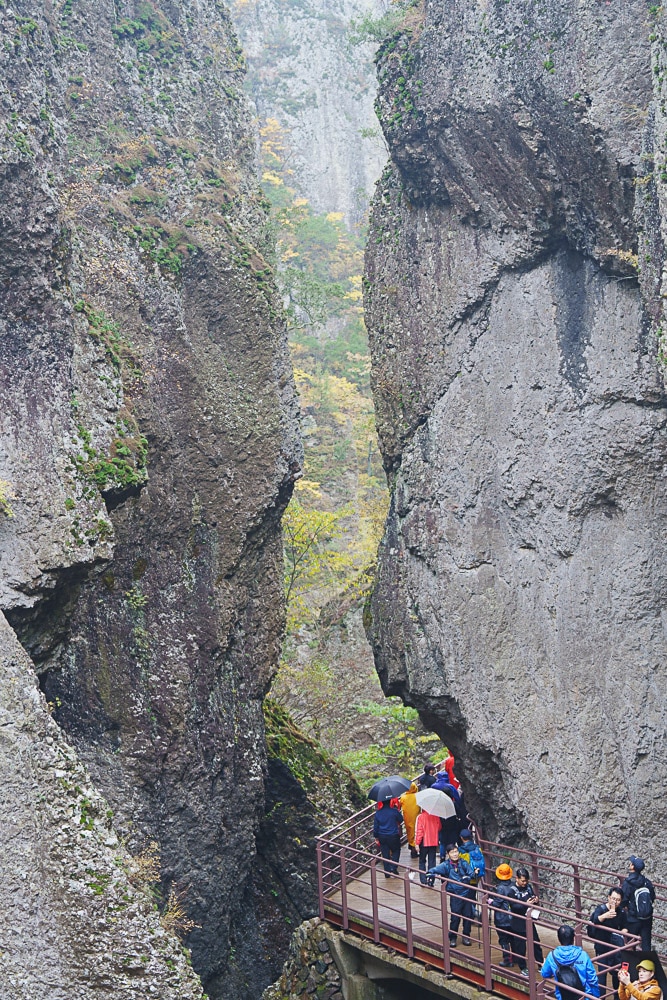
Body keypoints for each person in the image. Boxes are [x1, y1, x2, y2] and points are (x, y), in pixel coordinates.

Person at [427, 844, 475, 947]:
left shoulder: (463, 863)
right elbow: (433, 870)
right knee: (455, 918)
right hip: (455, 895)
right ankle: (452, 937)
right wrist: (429, 874)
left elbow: (471, 873)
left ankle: (466, 936)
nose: (455, 854)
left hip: (466, 893)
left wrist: (468, 877)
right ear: (448, 854)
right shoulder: (446, 865)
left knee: (468, 916)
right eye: (452, 852)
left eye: (456, 851)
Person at [541, 924, 600, 1000]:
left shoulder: (552, 956)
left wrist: (543, 966)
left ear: (559, 938)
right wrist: (596, 997)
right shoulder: (583, 955)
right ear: (573, 938)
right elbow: (592, 979)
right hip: (584, 997)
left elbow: (545, 973)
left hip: (563, 997)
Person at [588, 887, 627, 990]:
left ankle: (617, 996)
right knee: (602, 977)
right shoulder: (601, 909)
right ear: (609, 897)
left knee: (617, 974)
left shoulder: (621, 912)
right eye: (613, 899)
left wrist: (622, 932)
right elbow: (595, 920)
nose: (615, 902)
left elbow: (625, 926)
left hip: (615, 948)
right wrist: (605, 916)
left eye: (618, 900)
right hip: (602, 947)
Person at [508, 866, 544, 976]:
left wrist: (535, 900)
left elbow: (532, 895)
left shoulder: (528, 887)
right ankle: (523, 967)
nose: (524, 883)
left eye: (526, 881)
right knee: (521, 947)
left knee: (535, 943)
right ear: (517, 879)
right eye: (522, 881)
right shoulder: (511, 891)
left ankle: (540, 964)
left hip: (529, 920)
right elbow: (513, 906)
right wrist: (525, 904)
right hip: (518, 922)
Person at [621, 857, 655, 953]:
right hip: (646, 918)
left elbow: (623, 900)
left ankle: (632, 966)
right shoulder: (647, 882)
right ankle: (647, 966)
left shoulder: (628, 883)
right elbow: (652, 897)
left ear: (632, 867)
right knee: (646, 944)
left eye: (631, 863)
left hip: (633, 918)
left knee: (630, 944)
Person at [490, 863, 515, 967]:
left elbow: (497, 903)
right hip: (512, 917)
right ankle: (516, 957)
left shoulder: (500, 888)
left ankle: (507, 960)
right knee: (512, 938)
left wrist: (490, 901)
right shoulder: (513, 885)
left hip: (502, 919)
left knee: (503, 940)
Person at [373, 797, 402, 877]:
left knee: (385, 853)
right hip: (393, 835)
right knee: (396, 850)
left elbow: (376, 827)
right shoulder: (394, 811)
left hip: (382, 835)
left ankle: (387, 872)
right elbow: (401, 819)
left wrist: (376, 837)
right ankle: (394, 867)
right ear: (390, 802)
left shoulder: (378, 813)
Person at [415, 808, 440, 884]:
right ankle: (431, 880)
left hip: (423, 842)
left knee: (422, 861)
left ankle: (423, 880)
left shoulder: (420, 817)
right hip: (433, 841)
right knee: (432, 861)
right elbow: (439, 827)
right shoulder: (436, 816)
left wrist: (417, 843)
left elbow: (419, 831)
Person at [400, 782, 420, 858]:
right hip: (417, 817)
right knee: (416, 831)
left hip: (407, 818)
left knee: (409, 831)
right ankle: (415, 848)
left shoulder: (403, 797)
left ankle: (411, 845)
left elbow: (400, 805)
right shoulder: (417, 796)